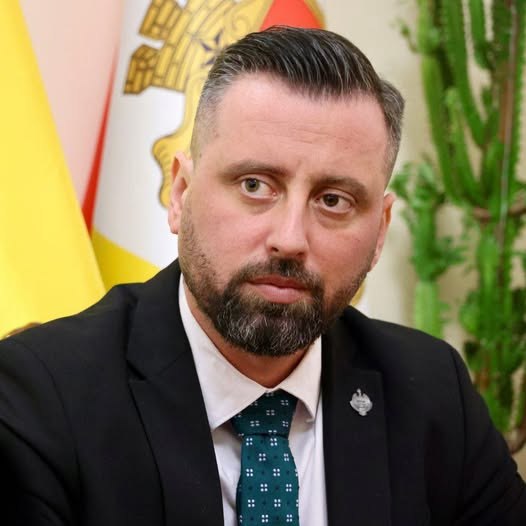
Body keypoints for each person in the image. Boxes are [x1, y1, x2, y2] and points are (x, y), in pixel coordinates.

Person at [0, 26, 525, 526]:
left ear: (381, 229)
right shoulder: (41, 397)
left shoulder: (432, 391)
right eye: (255, 185)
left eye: (334, 200)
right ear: (180, 195)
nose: (290, 239)